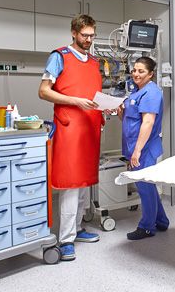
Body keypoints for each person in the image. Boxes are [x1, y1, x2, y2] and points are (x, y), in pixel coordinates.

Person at [38, 14, 105, 261]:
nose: (88, 40)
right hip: (69, 128)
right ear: (74, 33)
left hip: (90, 128)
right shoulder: (59, 57)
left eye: (91, 36)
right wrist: (75, 101)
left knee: (84, 182)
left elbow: (93, 93)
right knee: (70, 184)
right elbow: (44, 91)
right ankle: (65, 239)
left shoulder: (94, 62)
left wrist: (105, 107)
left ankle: (77, 229)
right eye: (84, 35)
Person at [117, 56, 169, 240]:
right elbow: (132, 120)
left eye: (141, 71)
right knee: (147, 185)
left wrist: (137, 151)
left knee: (144, 186)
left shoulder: (151, 93)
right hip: (135, 145)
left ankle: (147, 227)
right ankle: (161, 221)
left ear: (151, 74)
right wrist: (121, 113)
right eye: (134, 70)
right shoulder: (137, 91)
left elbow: (148, 123)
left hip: (144, 148)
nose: (136, 74)